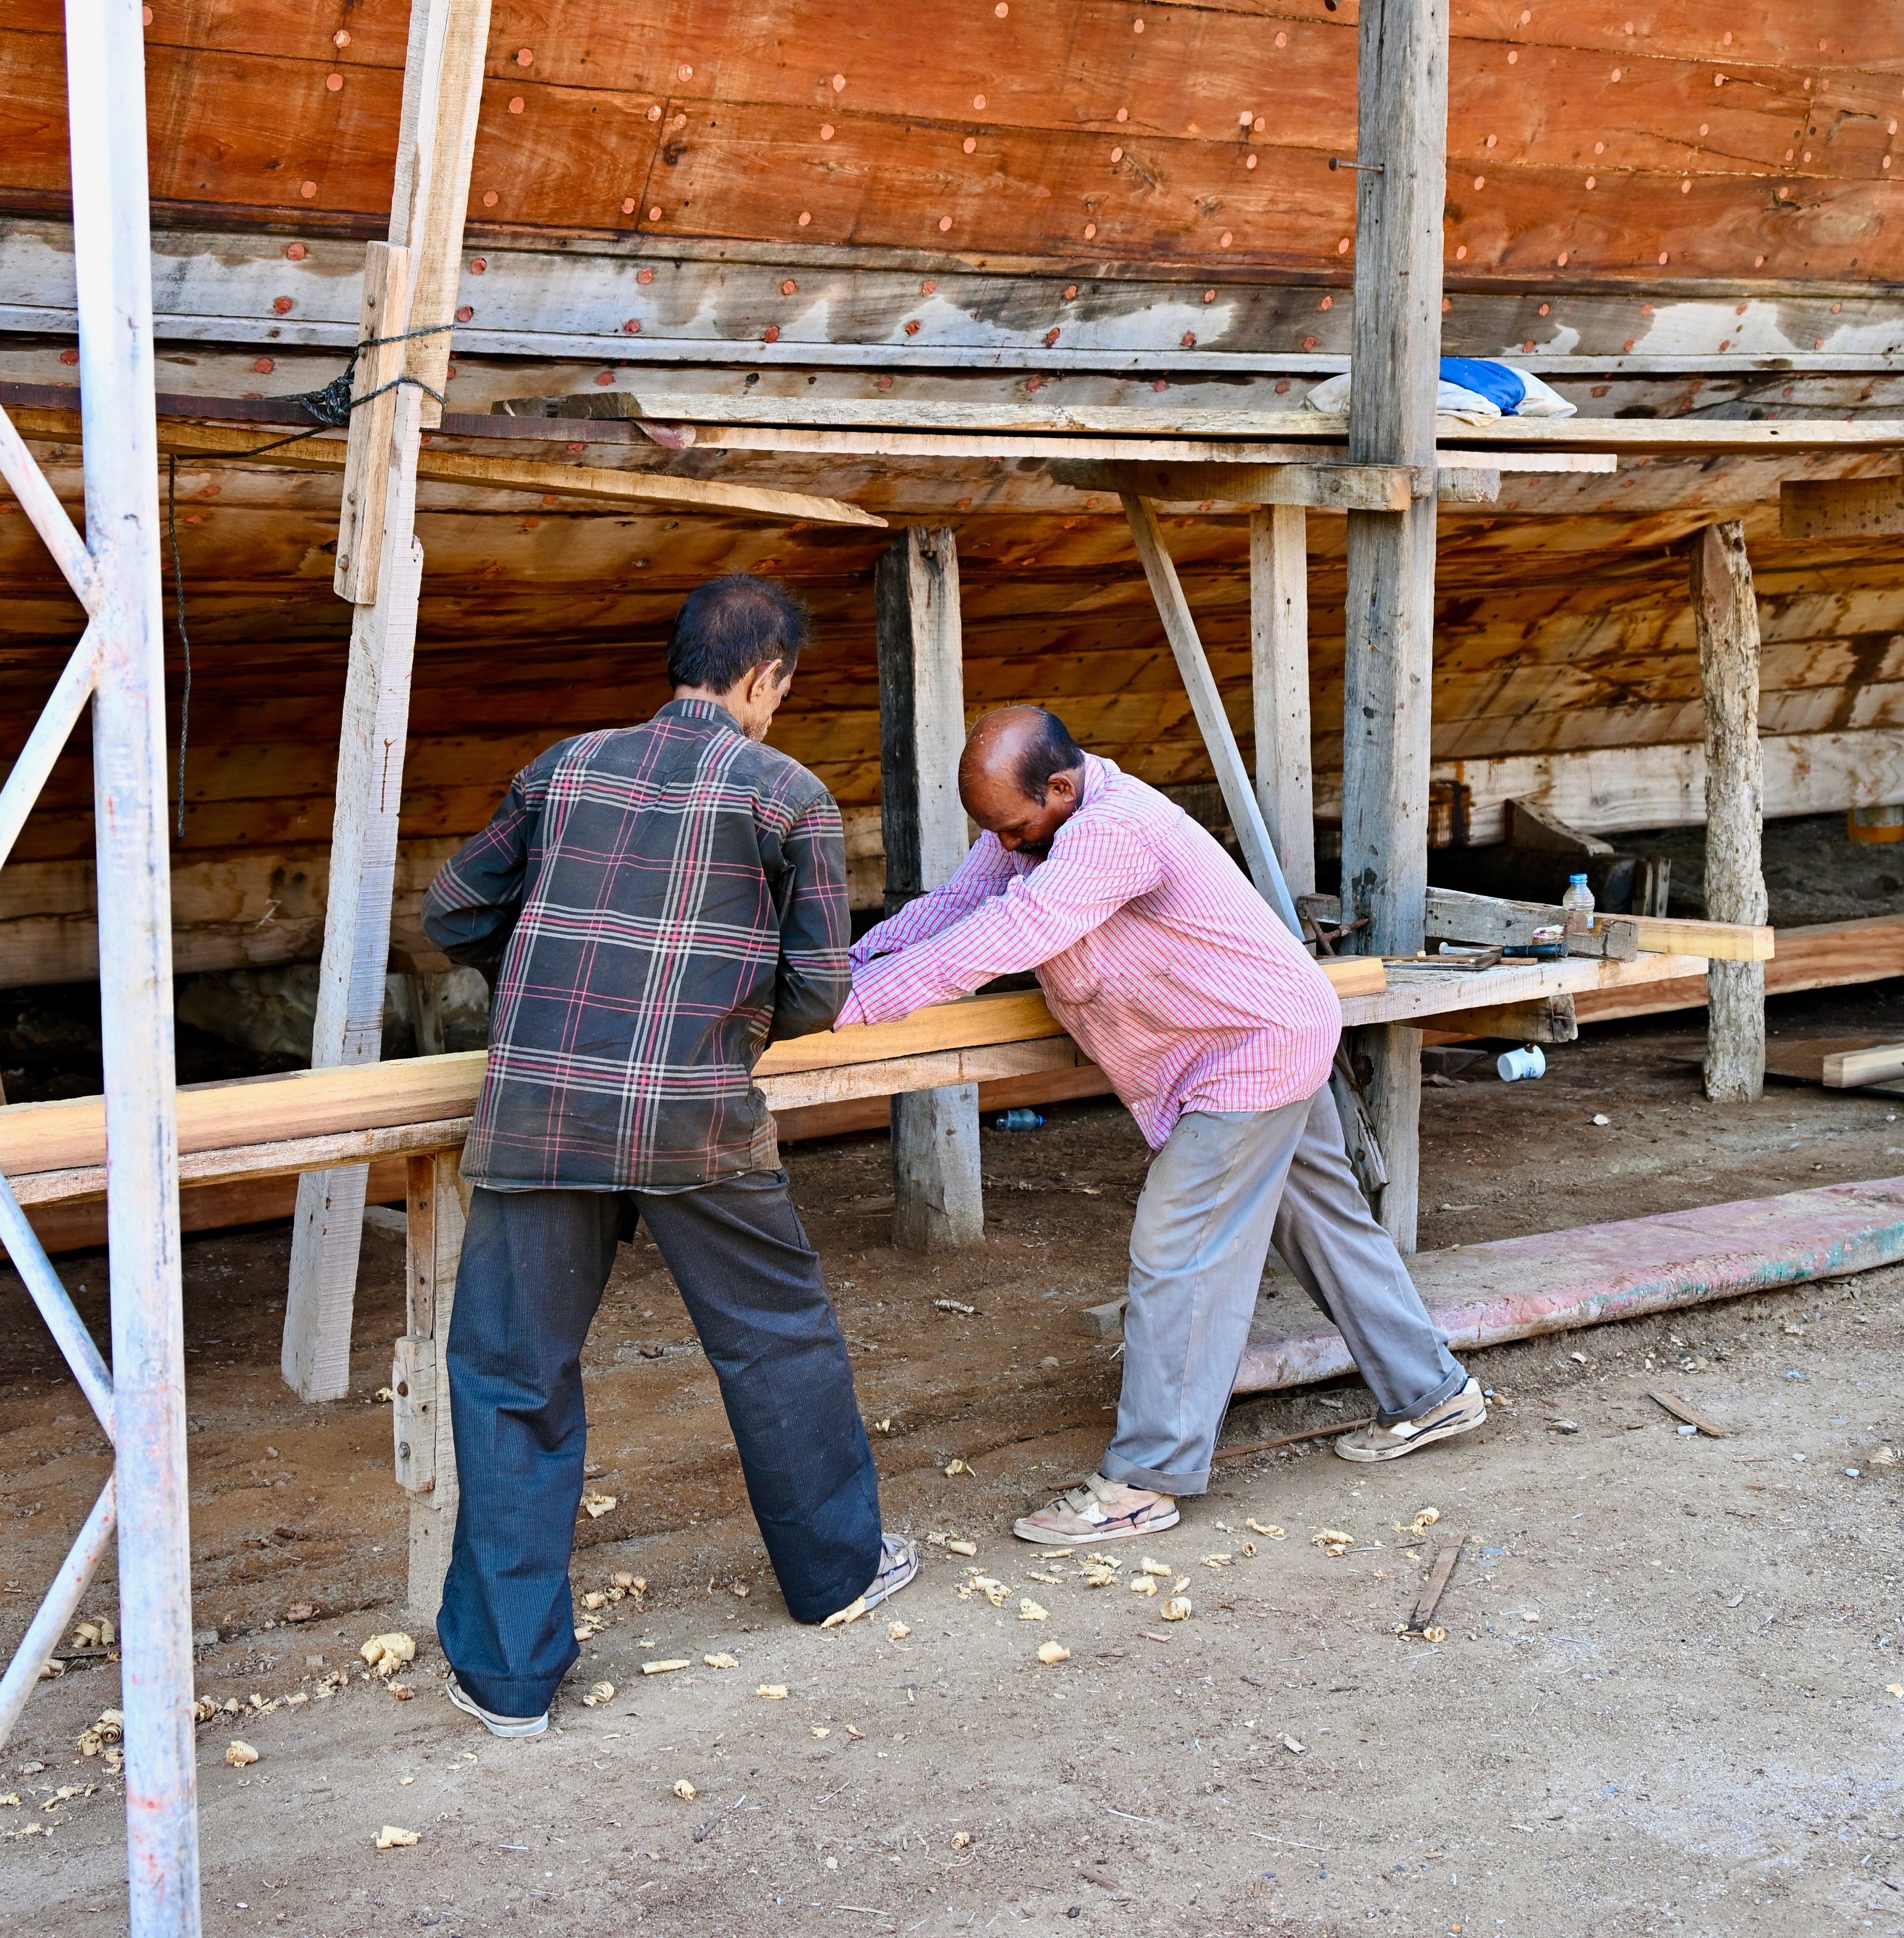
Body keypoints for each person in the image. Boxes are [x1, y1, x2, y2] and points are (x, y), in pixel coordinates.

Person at [418, 574, 914, 1738]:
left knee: (510, 1377)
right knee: (778, 1344)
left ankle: (507, 1683)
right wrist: (728, 1020)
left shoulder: (563, 767)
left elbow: (452, 910)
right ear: (764, 677)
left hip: (540, 1111)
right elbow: (819, 988)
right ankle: (838, 1579)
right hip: (698, 1121)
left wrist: (541, 989)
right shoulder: (791, 797)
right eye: (783, 686)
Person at [840, 706, 1485, 1547]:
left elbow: (1009, 931)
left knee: (1177, 1249)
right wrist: (847, 968)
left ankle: (1145, 1481)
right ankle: (1434, 1393)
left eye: (1013, 826)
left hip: (1247, 1055)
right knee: (1329, 1228)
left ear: (1063, 785)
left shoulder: (1115, 831)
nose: (1002, 846)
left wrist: (856, 1008)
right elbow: (959, 905)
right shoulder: (1031, 827)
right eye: (992, 831)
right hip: (1259, 1034)